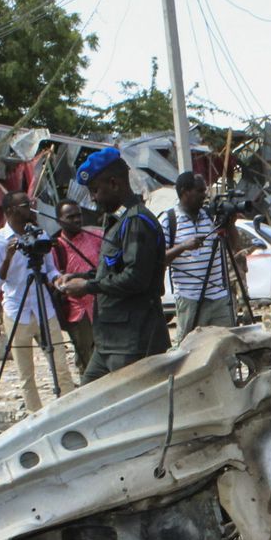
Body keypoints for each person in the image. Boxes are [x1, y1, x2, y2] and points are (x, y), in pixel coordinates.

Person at [56, 148, 168, 382]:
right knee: (86, 401)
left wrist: (87, 288)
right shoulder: (120, 222)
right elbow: (111, 271)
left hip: (133, 342)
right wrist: (81, 277)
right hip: (110, 341)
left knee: (129, 411)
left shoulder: (137, 222)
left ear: (114, 183)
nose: (93, 198)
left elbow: (135, 279)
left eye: (96, 190)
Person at [0, 191, 72, 414]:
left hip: (44, 306)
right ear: (10, 211)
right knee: (27, 375)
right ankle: (36, 417)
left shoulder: (40, 233)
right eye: (26, 205)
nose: (31, 209)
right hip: (17, 311)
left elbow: (50, 268)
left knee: (61, 366)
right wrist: (8, 257)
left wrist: (57, 279)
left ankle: (69, 411)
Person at [162, 171, 241, 343]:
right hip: (190, 298)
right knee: (190, 351)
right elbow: (159, 259)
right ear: (185, 192)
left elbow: (235, 246)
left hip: (218, 296)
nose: (204, 195)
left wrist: (231, 224)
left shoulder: (210, 216)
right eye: (199, 191)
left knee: (227, 347)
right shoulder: (169, 220)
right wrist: (183, 246)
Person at [50, 201, 103, 377]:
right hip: (77, 312)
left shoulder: (95, 237)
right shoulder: (55, 248)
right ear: (59, 220)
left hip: (102, 304)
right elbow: (55, 280)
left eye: (78, 215)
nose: (76, 220)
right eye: (70, 217)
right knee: (86, 359)